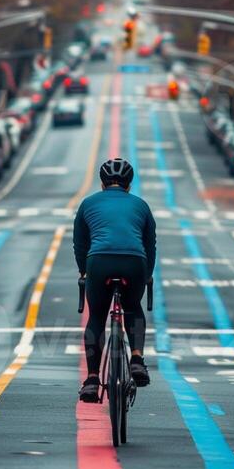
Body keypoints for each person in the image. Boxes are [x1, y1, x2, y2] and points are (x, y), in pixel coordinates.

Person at [73, 157, 156, 403]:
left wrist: (83, 272)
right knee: (132, 308)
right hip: (134, 262)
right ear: (129, 186)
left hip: (98, 262)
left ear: (102, 184)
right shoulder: (141, 206)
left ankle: (91, 380)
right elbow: (149, 245)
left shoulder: (88, 204)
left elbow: (80, 244)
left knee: (97, 316)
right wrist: (147, 273)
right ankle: (138, 360)